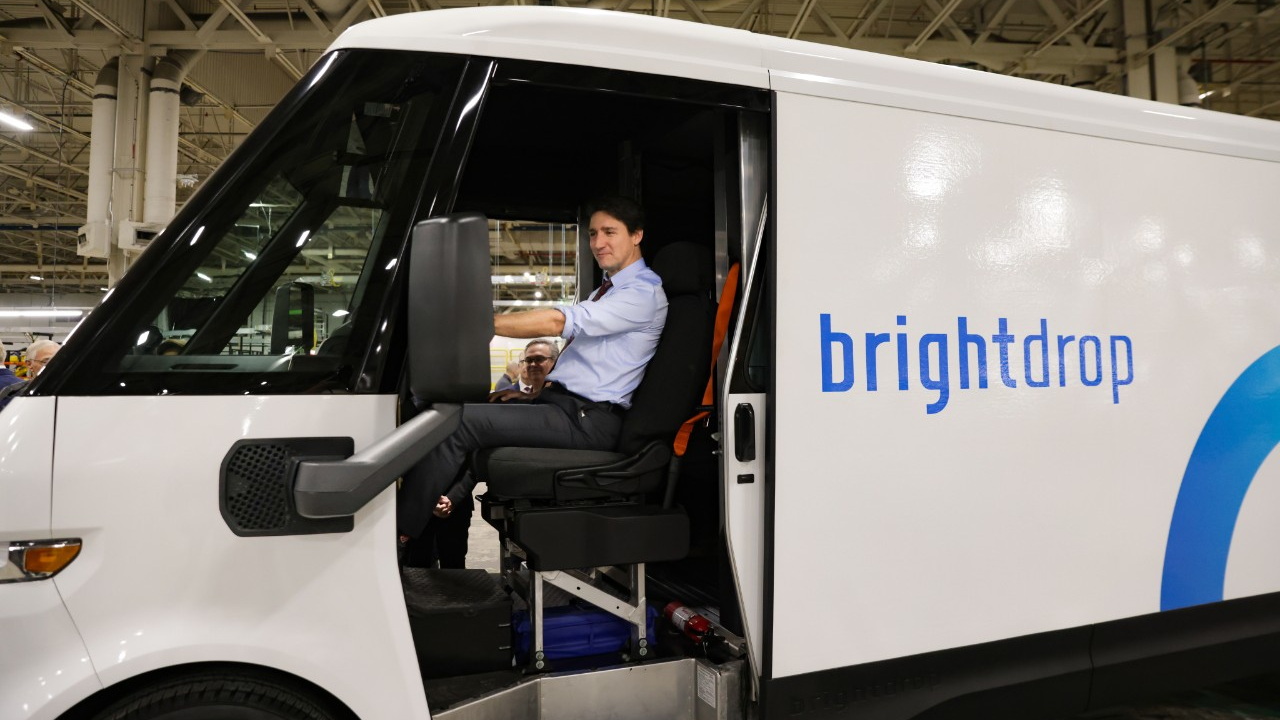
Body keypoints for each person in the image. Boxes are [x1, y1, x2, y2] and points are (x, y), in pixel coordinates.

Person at [398, 196, 668, 541]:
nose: (598, 243)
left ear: (637, 235)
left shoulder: (641, 293)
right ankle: (424, 521)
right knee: (462, 408)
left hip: (588, 420)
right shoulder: (608, 291)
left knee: (458, 423)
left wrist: (475, 321)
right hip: (564, 408)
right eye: (592, 234)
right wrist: (531, 398)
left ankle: (399, 534)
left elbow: (561, 321)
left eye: (609, 232)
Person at [495, 339, 559, 393]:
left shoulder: (565, 396)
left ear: (555, 362)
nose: (533, 364)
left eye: (539, 359)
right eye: (528, 360)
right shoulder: (506, 397)